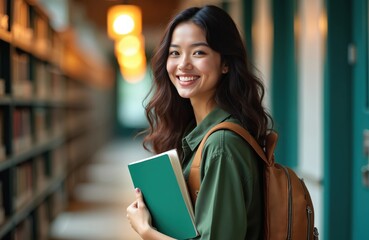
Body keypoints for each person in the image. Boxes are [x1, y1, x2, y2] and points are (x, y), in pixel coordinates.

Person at [126, 4, 273, 240]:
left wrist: (146, 231)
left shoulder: (221, 145)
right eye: (175, 53)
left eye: (198, 53)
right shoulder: (196, 133)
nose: (183, 64)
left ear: (226, 63)